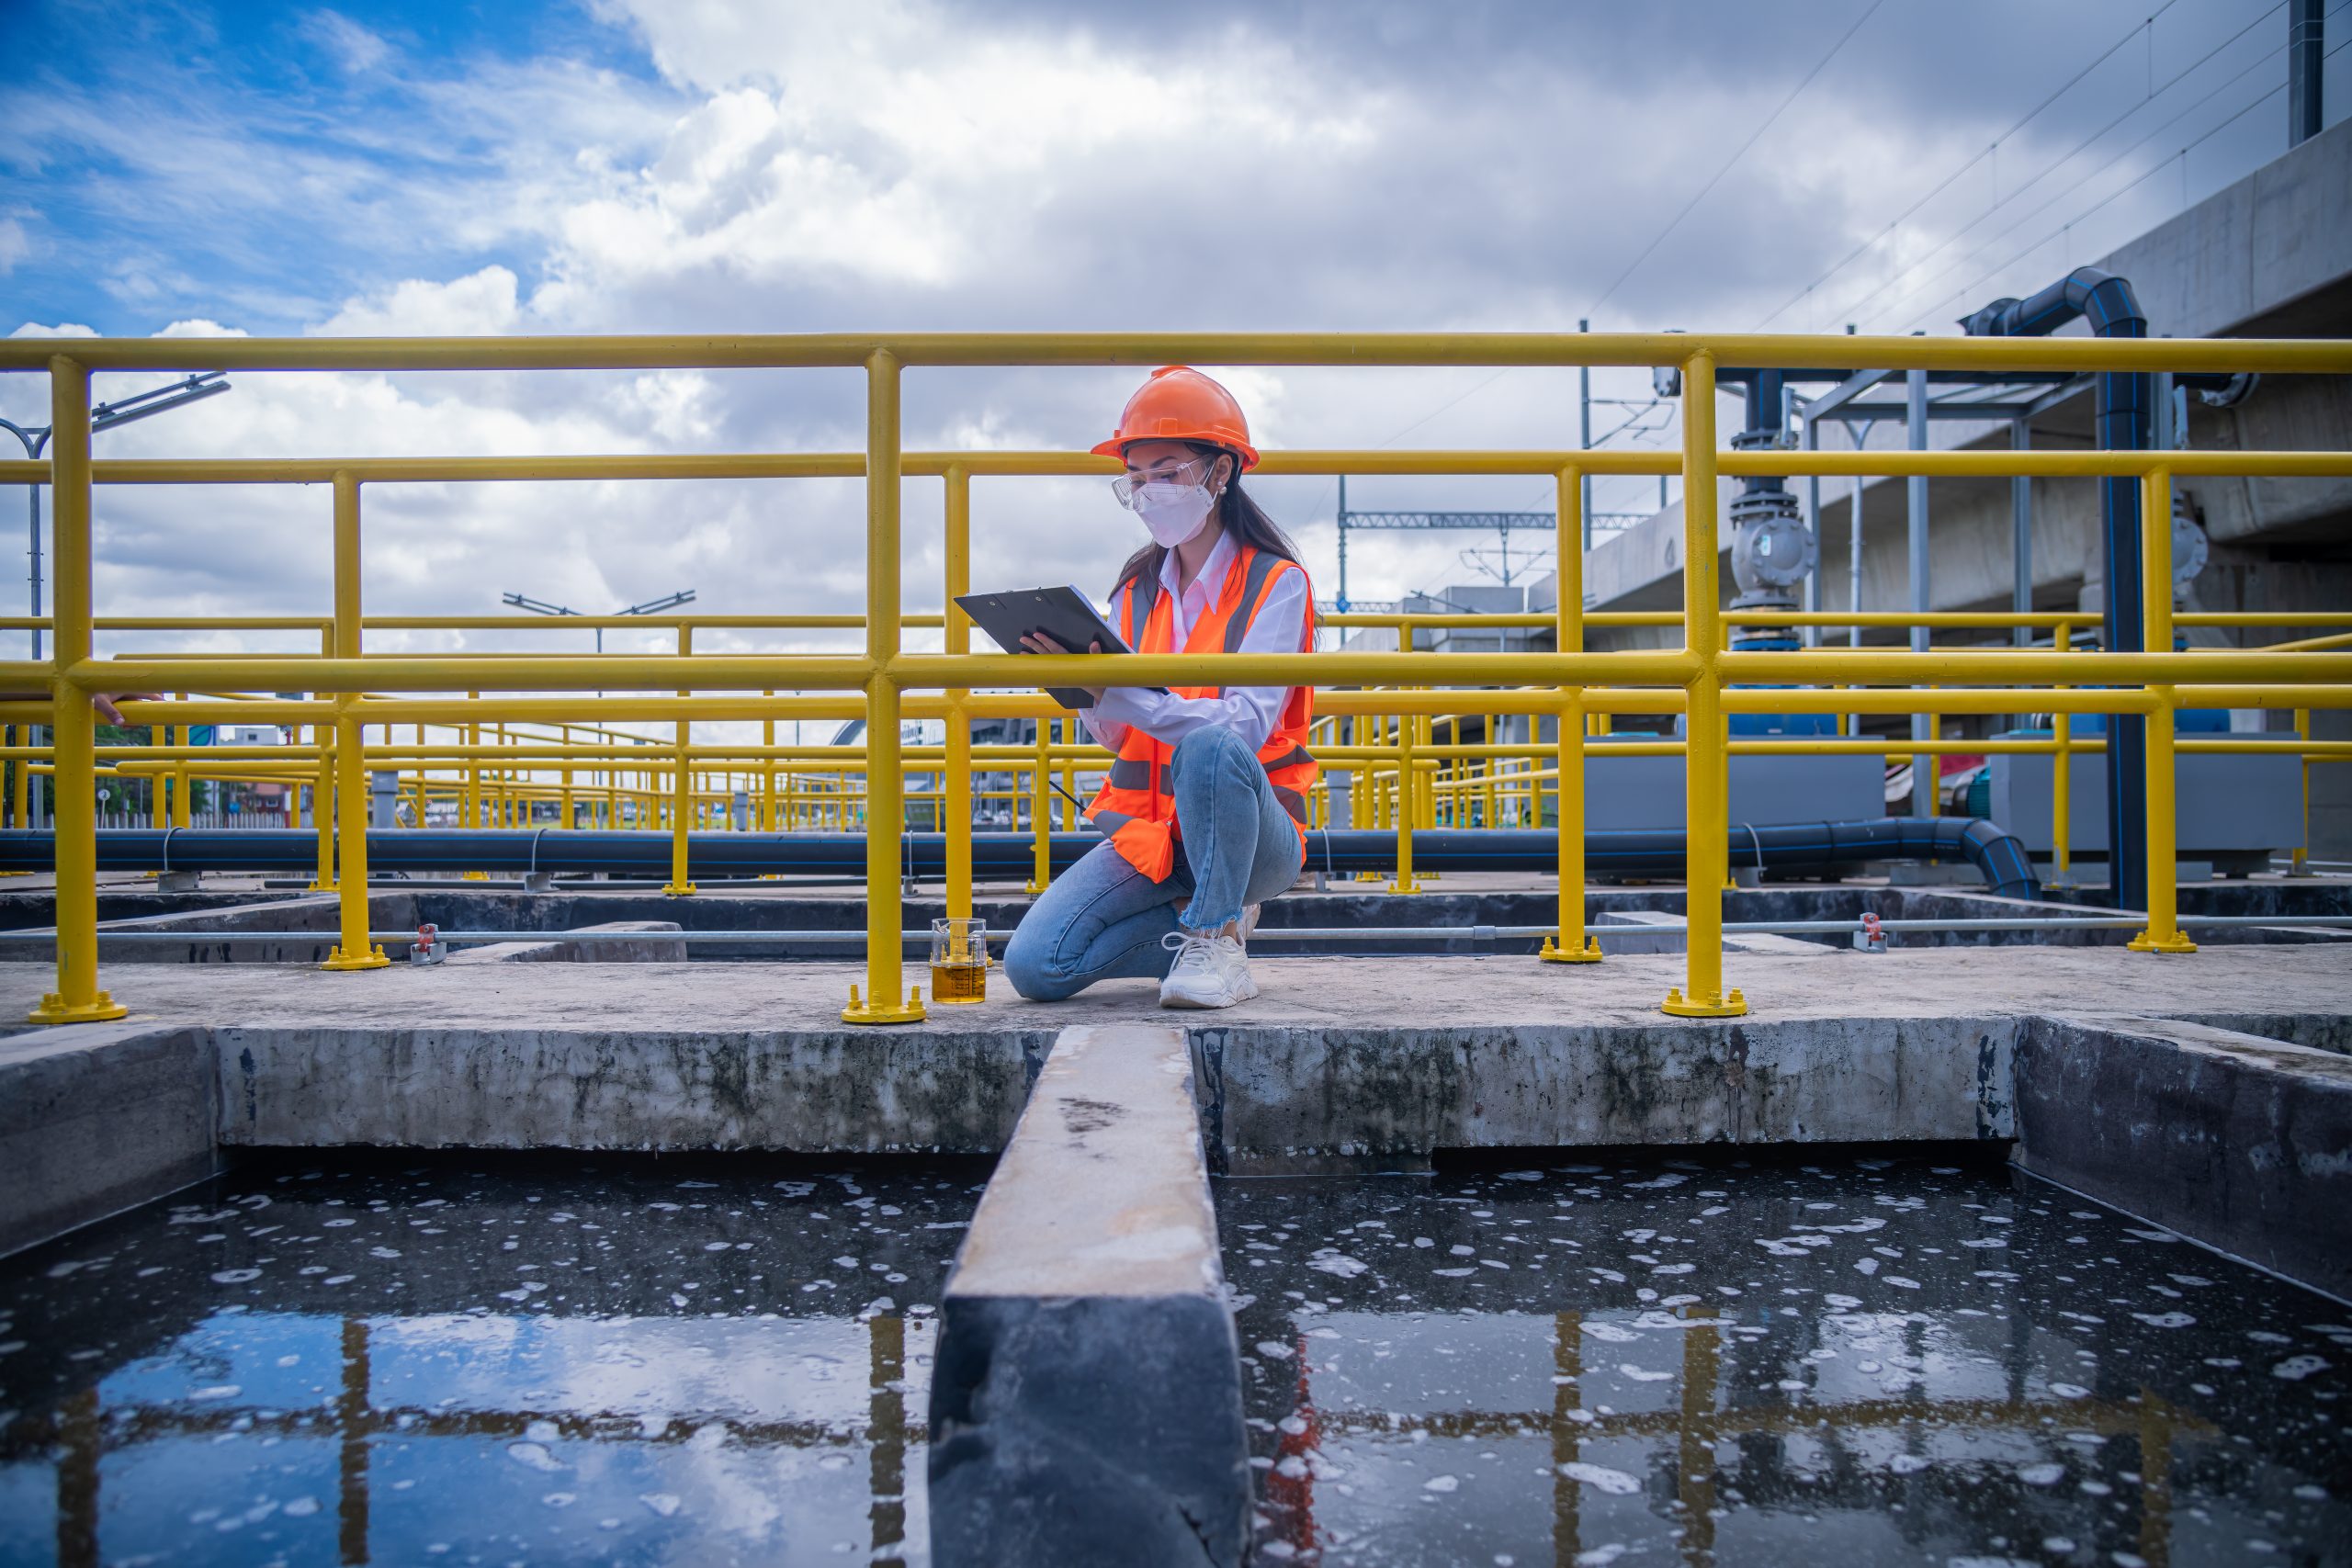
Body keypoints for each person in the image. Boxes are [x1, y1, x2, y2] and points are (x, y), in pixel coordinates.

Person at [1002, 366, 1317, 1010]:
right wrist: (1086, 691)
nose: (1148, 492)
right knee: (1035, 965)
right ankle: (1211, 923)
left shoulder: (1277, 583)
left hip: (1254, 838)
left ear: (1221, 472)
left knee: (1209, 742)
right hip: (1155, 837)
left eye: (1167, 472)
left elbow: (1244, 730)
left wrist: (1125, 694)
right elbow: (1120, 733)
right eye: (1137, 478)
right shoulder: (1133, 591)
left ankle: (1218, 930)